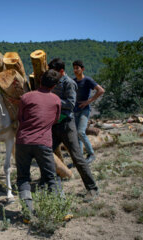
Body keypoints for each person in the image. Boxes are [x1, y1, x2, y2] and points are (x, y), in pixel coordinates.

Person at [49, 58, 99, 202]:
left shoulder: (69, 83)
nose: (52, 75)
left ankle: (92, 188)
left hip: (67, 125)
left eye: (54, 72)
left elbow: (71, 104)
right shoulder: (53, 81)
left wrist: (53, 99)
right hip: (55, 124)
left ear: (62, 71)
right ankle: (52, 186)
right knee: (46, 153)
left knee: (77, 158)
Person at [15, 69, 63, 215]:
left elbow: (20, 118)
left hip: (23, 141)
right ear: (54, 86)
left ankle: (28, 213)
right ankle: (60, 210)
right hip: (43, 142)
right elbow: (55, 120)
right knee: (51, 177)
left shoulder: (26, 97)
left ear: (40, 80)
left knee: (23, 177)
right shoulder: (56, 100)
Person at [73, 60, 105, 164]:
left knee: (81, 132)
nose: (75, 70)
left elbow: (101, 90)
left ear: (82, 69)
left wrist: (88, 101)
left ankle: (91, 154)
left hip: (84, 110)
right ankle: (80, 156)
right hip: (75, 110)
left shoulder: (87, 80)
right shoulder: (74, 82)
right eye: (74, 68)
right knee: (77, 134)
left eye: (77, 68)